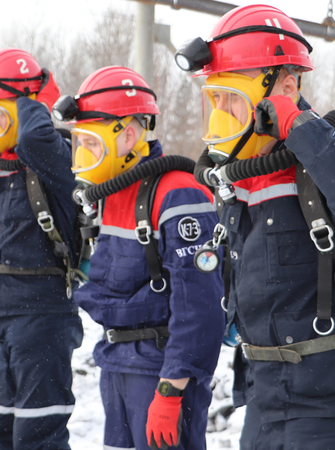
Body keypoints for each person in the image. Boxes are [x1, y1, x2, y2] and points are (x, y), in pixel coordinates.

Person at [177, 4, 335, 449]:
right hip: (264, 397)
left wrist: (297, 123)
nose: (222, 114)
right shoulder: (241, 171)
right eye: (215, 100)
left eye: (232, 100)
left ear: (286, 84)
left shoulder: (333, 140)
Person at [55, 66, 224, 450]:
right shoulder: (110, 194)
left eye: (91, 144)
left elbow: (200, 306)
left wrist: (171, 388)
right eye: (80, 144)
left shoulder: (178, 193)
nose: (84, 156)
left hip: (159, 371)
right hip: (117, 364)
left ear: (128, 136)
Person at [0, 48, 83, 450]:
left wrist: (35, 98)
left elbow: (33, 136)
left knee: (38, 432)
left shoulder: (53, 158)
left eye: (0, 114)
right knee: (5, 429)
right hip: (7, 311)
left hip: (43, 314)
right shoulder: (2, 167)